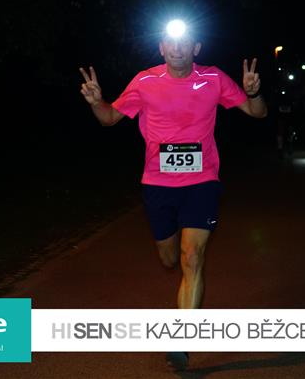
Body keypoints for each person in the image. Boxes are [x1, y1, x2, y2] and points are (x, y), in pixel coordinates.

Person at [78, 22, 267, 370]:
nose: (177, 48)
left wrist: (253, 93)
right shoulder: (144, 81)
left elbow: (258, 113)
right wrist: (95, 102)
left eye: (185, 42)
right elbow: (109, 118)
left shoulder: (213, 79)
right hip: (158, 184)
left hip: (202, 182)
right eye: (170, 42)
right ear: (162, 48)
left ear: (196, 48)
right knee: (169, 259)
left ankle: (181, 340)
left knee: (192, 257)